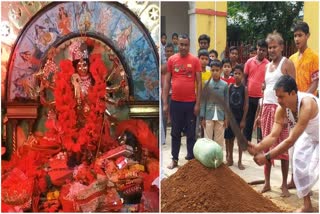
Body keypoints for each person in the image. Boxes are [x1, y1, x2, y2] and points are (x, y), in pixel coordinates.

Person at [248, 75, 319, 212]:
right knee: (298, 162)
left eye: (281, 97)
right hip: (311, 136)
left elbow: (290, 140)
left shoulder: (307, 104)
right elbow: (274, 135)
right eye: (277, 97)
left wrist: (266, 157)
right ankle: (307, 206)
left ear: (293, 93)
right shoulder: (282, 108)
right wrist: (258, 146)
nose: (278, 101)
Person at [255, 31, 296, 197]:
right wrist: (260, 113)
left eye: (274, 47)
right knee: (267, 146)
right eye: (269, 47)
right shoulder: (267, 66)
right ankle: (267, 183)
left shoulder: (286, 63)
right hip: (266, 110)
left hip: (281, 111)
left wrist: (288, 113)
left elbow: (294, 89)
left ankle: (284, 185)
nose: (271, 50)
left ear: (281, 47)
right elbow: (265, 90)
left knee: (283, 149)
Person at [287, 21, 319, 190]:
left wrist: (303, 100)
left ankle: (307, 183)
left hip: (308, 109)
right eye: (295, 35)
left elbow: (315, 82)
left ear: (307, 36)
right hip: (294, 108)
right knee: (293, 145)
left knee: (306, 148)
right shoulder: (292, 59)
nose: (297, 38)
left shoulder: (314, 57)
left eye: (300, 35)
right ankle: (294, 179)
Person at [162, 34, 201, 169]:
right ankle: (175, 159)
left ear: (189, 46)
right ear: (177, 45)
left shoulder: (195, 61)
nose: (183, 47)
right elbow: (167, 81)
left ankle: (190, 158)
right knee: (175, 132)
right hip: (176, 103)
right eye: (181, 44)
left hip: (190, 103)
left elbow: (199, 83)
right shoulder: (172, 60)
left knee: (191, 133)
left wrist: (198, 103)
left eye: (185, 44)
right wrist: (165, 103)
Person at [243, 39, 269, 143]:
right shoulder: (249, 62)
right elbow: (245, 77)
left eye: (263, 50)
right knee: (248, 120)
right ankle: (247, 142)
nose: (261, 52)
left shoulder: (268, 64)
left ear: (266, 51)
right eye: (259, 49)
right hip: (249, 96)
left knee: (260, 121)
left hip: (261, 98)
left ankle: (260, 143)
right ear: (256, 49)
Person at [200, 59, 228, 149]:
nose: (215, 72)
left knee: (219, 139)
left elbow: (226, 102)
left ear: (221, 71)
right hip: (208, 114)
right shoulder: (206, 84)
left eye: (217, 70)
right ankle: (207, 159)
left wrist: (226, 118)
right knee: (207, 139)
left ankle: (218, 160)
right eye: (213, 70)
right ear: (210, 70)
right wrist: (202, 117)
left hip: (220, 115)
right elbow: (203, 101)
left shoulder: (225, 85)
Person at [224, 64, 248, 169]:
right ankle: (230, 158)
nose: (237, 75)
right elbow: (227, 103)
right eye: (235, 74)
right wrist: (227, 118)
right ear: (232, 75)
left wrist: (243, 119)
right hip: (231, 118)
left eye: (239, 74)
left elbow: (246, 105)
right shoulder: (230, 87)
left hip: (239, 118)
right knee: (229, 139)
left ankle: (239, 161)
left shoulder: (244, 89)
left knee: (239, 140)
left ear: (242, 75)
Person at [161, 43, 174, 143]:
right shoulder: (164, 65)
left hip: (175, 93)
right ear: (165, 53)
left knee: (175, 116)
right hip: (165, 93)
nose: (169, 53)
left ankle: (175, 136)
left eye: (171, 51)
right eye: (167, 51)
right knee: (164, 116)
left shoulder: (177, 63)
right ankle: (164, 138)